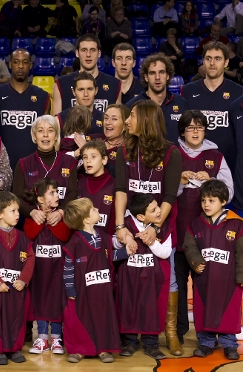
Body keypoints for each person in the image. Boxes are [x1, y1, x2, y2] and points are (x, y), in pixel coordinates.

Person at [114, 99, 182, 357]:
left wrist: (156, 225)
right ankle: (129, 337)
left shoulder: (171, 152)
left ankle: (168, 334)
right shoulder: (124, 150)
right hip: (131, 222)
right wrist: (121, 225)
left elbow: (169, 197)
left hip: (161, 221)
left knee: (167, 278)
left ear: (145, 120)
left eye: (131, 116)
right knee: (130, 280)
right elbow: (121, 189)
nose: (127, 120)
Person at [175, 110, 233, 346]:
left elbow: (228, 193)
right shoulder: (173, 154)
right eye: (190, 127)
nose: (195, 131)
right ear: (182, 131)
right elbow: (160, 191)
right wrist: (179, 180)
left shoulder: (216, 156)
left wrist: (211, 182)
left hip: (209, 237)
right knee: (177, 286)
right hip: (178, 232)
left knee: (209, 286)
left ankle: (212, 332)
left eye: (200, 127)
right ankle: (176, 334)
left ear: (205, 130)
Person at [183, 179, 242, 361]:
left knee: (228, 312)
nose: (206, 205)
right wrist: (196, 260)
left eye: (211, 200)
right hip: (204, 279)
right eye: (203, 200)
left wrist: (241, 274)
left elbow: (242, 252)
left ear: (223, 201)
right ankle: (206, 343)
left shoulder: (237, 224)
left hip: (229, 280)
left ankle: (229, 344)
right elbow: (189, 246)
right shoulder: (195, 225)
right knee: (204, 310)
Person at [62, 197, 124, 363]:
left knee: (103, 318)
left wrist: (127, 252)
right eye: (94, 209)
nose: (98, 210)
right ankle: (79, 350)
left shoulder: (103, 236)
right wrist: (70, 289)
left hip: (103, 291)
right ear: (87, 219)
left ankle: (104, 349)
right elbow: (68, 268)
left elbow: (109, 257)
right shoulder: (75, 241)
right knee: (81, 319)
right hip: (83, 291)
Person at [114, 193, 173, 360]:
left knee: (150, 310)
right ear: (140, 216)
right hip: (129, 277)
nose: (159, 211)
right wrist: (125, 240)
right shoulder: (125, 225)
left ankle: (151, 344)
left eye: (158, 207)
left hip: (151, 278)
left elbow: (166, 252)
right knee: (128, 307)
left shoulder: (164, 226)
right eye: (153, 210)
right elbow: (113, 242)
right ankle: (130, 342)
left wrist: (151, 242)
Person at [0, 191, 35, 365]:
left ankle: (14, 348)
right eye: (13, 211)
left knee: (16, 317)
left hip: (17, 288)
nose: (17, 214)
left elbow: (30, 258)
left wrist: (23, 280)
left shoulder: (23, 237)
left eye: (18, 210)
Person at [22, 178, 71, 355]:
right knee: (40, 302)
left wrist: (55, 220)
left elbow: (65, 235)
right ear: (41, 199)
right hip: (39, 272)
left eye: (57, 192)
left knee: (57, 302)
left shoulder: (61, 216)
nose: (57, 195)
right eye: (52, 193)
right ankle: (42, 337)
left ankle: (56, 338)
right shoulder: (32, 217)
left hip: (58, 270)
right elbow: (29, 234)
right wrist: (40, 219)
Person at [182, 42, 243, 172]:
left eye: (218, 59)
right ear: (203, 61)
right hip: (194, 167)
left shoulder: (238, 92)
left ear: (226, 63)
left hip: (229, 166)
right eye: (208, 58)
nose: (212, 63)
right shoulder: (187, 91)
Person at [13, 115, 78, 229]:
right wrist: (32, 212)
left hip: (63, 227)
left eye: (50, 130)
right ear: (34, 135)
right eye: (40, 131)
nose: (45, 135)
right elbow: (17, 197)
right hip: (32, 227)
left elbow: (73, 193)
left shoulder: (69, 162)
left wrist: (61, 212)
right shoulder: (23, 163)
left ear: (56, 136)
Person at [0, 48, 51, 170]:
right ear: (10, 64)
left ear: (30, 65)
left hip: (33, 163)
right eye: (16, 62)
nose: (20, 66)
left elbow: (47, 134)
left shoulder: (43, 96)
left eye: (25, 62)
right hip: (3, 164)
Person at [52, 34, 121, 115]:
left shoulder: (115, 84)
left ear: (99, 53)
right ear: (77, 53)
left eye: (92, 50)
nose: (88, 54)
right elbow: (55, 124)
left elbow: (118, 122)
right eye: (84, 50)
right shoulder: (61, 83)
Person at [127, 53, 186, 145]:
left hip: (175, 158)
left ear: (168, 76)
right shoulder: (133, 105)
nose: (157, 77)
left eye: (161, 72)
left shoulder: (182, 103)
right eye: (152, 73)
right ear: (146, 77)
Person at [77, 140, 116, 234]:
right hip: (83, 239)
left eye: (93, 157)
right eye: (85, 157)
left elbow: (114, 217)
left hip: (106, 240)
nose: (88, 161)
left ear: (104, 160)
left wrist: (107, 240)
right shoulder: (80, 184)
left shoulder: (114, 185)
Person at [56, 72, 105, 137]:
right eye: (81, 90)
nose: (86, 94)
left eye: (90, 89)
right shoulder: (60, 120)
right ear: (73, 92)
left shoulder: (105, 119)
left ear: (96, 91)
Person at [102, 103, 129, 176]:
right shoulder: (94, 141)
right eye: (106, 118)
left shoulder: (129, 149)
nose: (108, 122)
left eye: (114, 119)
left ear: (125, 125)